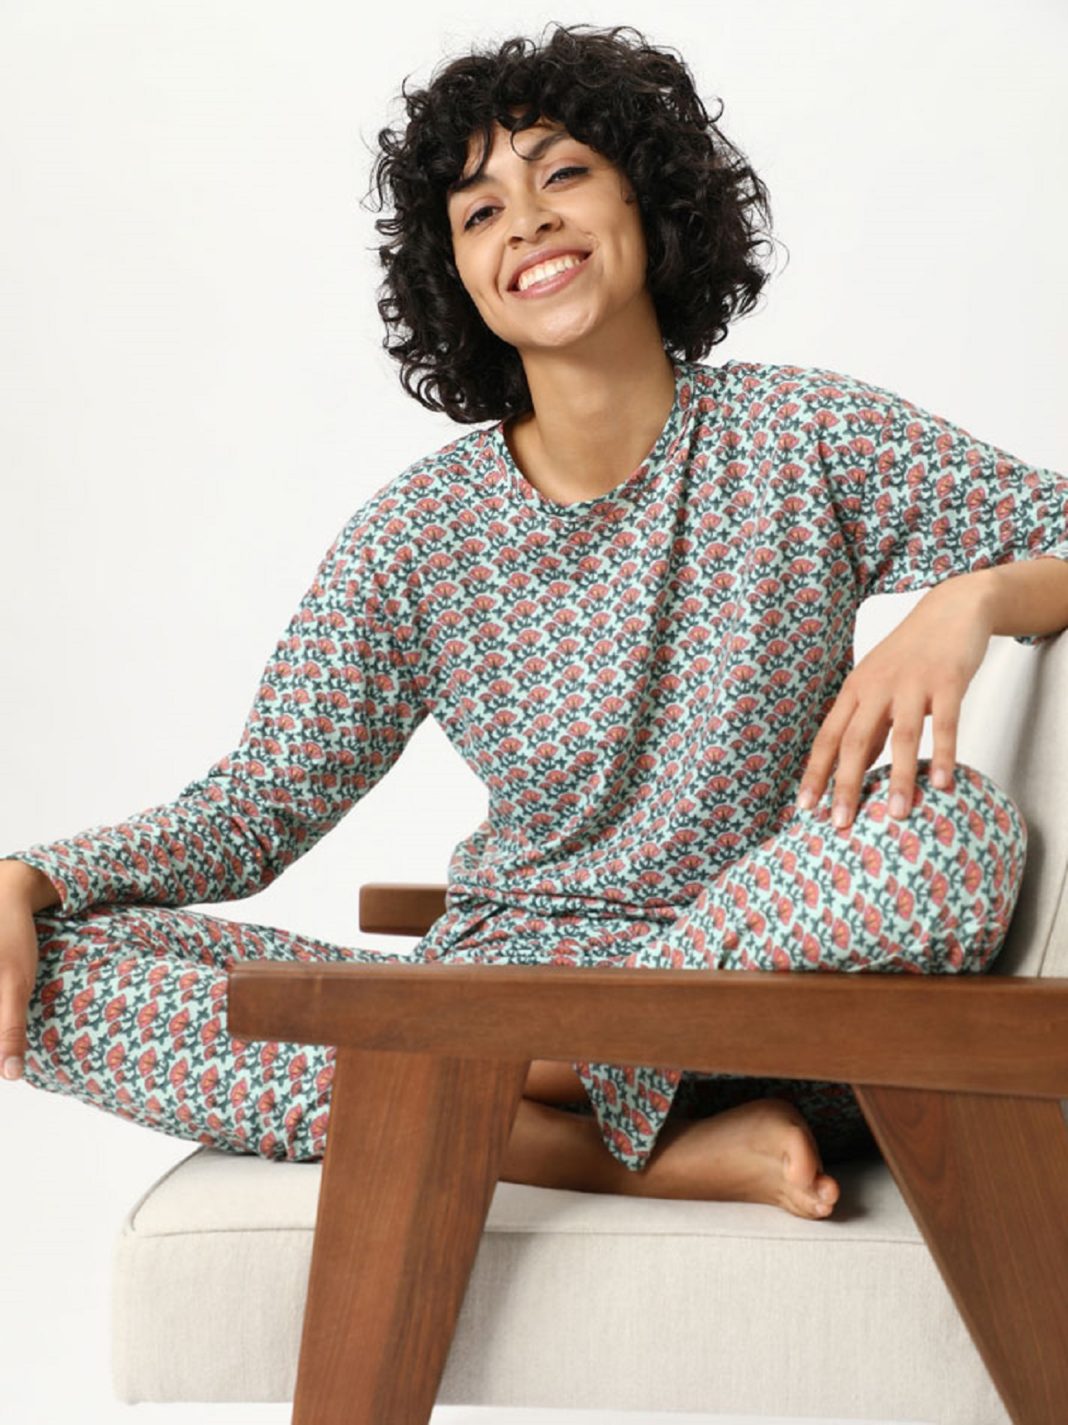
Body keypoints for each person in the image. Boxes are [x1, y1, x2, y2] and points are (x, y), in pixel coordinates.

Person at [2, 23, 1066, 1222]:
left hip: (758, 1012)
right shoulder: (419, 536)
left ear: (649, 200)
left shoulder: (802, 437)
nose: (528, 223)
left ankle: (500, 1083)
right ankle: (615, 1154)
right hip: (488, 983)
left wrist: (970, 600)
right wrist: (34, 876)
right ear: (456, 275)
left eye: (563, 173)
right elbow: (258, 806)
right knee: (53, 973)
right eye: (480, 212)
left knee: (954, 835)